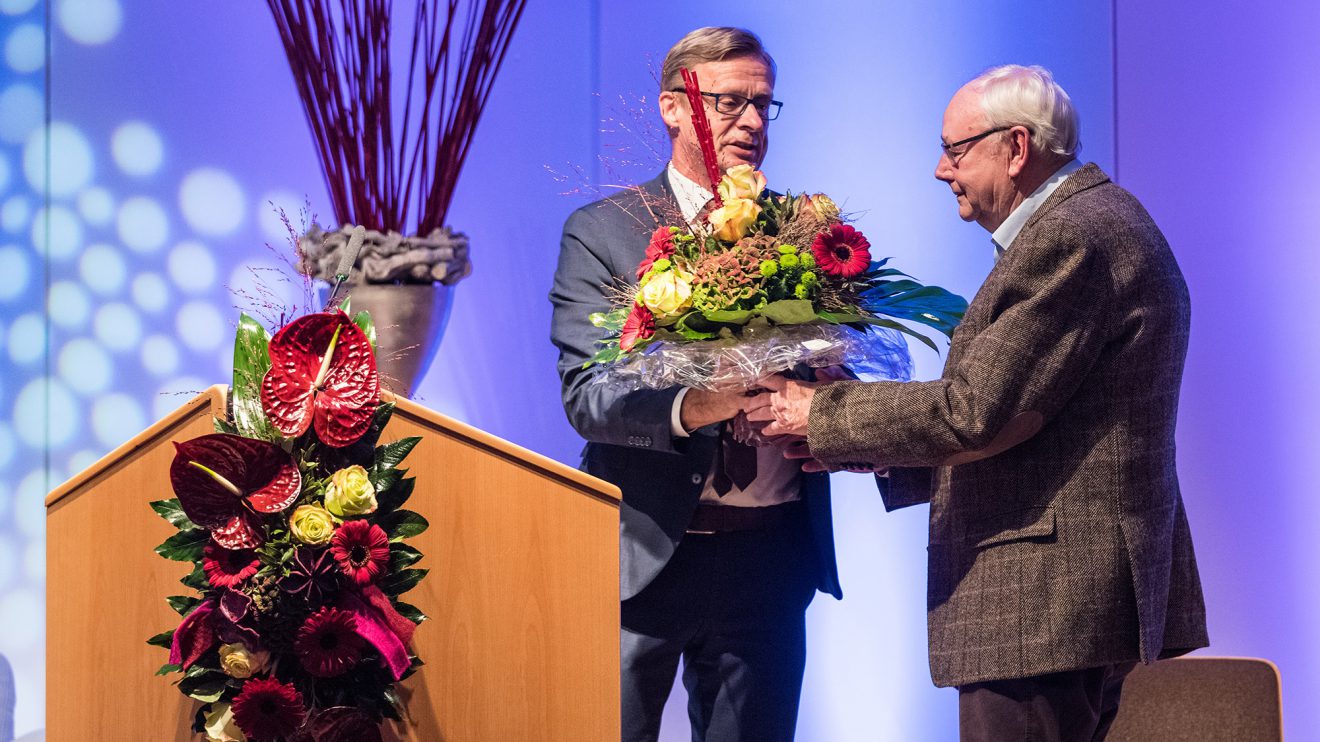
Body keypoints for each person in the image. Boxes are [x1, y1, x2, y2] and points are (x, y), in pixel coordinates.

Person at [745, 65, 1208, 741]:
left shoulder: (1070, 236)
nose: (940, 170)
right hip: (1063, 600)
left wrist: (822, 413)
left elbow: (975, 412)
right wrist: (863, 450)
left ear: (1016, 148)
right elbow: (1034, 424)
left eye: (955, 150)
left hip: (1044, 602)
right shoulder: (1093, 222)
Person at [548, 26, 840, 742]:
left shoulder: (806, 231)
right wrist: (704, 401)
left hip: (770, 557)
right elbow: (588, 395)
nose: (749, 123)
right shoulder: (604, 232)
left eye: (763, 106)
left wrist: (835, 398)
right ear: (673, 108)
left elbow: (834, 366)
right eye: (729, 103)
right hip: (646, 553)